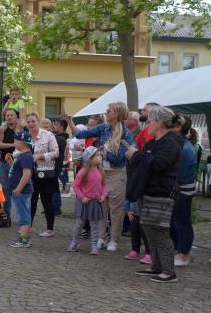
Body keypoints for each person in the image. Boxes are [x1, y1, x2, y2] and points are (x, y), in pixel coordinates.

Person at [125, 106, 183, 283]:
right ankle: (157, 266)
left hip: (162, 193)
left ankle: (169, 271)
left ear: (160, 122)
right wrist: (136, 156)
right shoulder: (154, 142)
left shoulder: (171, 142)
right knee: (149, 229)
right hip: (149, 191)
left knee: (160, 231)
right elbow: (146, 161)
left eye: (150, 120)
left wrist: (136, 155)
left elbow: (158, 164)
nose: (148, 123)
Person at [73, 102, 134, 251]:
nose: (106, 112)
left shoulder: (126, 134)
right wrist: (69, 121)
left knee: (116, 210)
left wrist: (102, 152)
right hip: (101, 173)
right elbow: (80, 134)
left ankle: (114, 240)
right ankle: (101, 237)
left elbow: (119, 159)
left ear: (118, 114)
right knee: (101, 207)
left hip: (116, 173)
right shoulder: (103, 128)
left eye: (109, 110)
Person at [25, 112, 59, 238]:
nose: (31, 124)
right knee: (31, 200)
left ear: (38, 121)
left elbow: (56, 153)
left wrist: (41, 156)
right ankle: (28, 226)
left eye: (33, 121)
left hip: (45, 172)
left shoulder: (48, 135)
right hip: (29, 172)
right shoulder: (25, 136)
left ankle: (50, 229)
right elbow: (18, 150)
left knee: (46, 201)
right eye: (28, 122)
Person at [68, 147, 107, 255]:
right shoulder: (83, 171)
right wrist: (82, 197)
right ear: (89, 158)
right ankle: (74, 242)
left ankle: (94, 245)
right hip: (84, 202)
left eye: (100, 155)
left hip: (95, 202)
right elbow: (75, 186)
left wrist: (103, 195)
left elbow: (104, 185)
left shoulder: (101, 171)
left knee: (95, 225)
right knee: (79, 224)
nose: (100, 157)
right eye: (97, 155)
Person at [170, 115, 197, 268]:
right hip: (179, 188)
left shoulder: (185, 148)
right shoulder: (181, 145)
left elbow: (179, 174)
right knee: (177, 220)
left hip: (183, 190)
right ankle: (179, 249)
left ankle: (183, 254)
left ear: (179, 127)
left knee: (182, 221)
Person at [7, 131, 35, 248]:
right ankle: (24, 238)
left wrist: (18, 189)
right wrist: (10, 162)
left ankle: (24, 240)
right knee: (21, 213)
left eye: (15, 140)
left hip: (22, 192)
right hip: (19, 191)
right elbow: (17, 171)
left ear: (22, 142)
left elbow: (26, 175)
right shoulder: (21, 156)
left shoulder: (26, 157)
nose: (14, 143)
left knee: (23, 214)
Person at [0, 109, 20, 221]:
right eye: (7, 115)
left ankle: (19, 213)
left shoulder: (21, 128)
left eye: (11, 115)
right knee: (6, 188)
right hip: (4, 163)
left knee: (19, 187)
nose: (9, 117)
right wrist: (12, 145)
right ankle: (7, 213)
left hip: (18, 163)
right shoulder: (3, 129)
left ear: (16, 117)